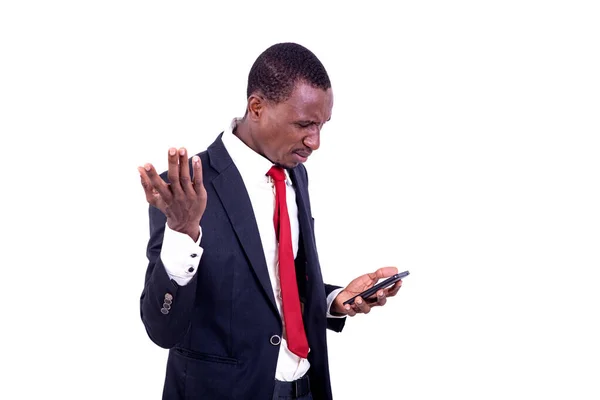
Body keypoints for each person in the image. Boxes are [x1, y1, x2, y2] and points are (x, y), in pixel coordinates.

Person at [138, 42, 403, 400]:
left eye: (323, 125)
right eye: (305, 124)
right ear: (257, 107)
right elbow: (161, 328)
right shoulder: (183, 189)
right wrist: (182, 233)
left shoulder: (294, 175)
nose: (316, 141)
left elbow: (274, 285)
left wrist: (334, 300)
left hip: (305, 388)